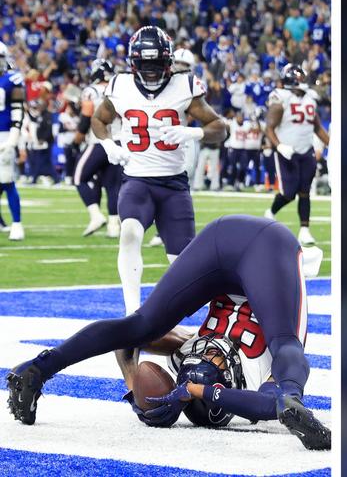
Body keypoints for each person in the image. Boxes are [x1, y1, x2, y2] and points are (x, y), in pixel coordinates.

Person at [6, 214, 330, 451]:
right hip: (266, 246)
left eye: (204, 354)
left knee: (141, 325)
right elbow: (269, 404)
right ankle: (294, 391)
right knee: (286, 343)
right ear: (229, 379)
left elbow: (127, 342)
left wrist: (134, 385)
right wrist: (197, 391)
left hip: (221, 239)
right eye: (214, 360)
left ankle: (39, 367)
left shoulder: (188, 351)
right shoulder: (256, 373)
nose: (207, 352)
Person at [90, 26, 226, 388]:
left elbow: (220, 127)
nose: (150, 74)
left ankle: (162, 318)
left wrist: (193, 132)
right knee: (130, 232)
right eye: (145, 67)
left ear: (168, 63)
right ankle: (133, 311)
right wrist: (108, 146)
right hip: (136, 180)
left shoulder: (184, 86)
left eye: (156, 66)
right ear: (134, 65)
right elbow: (99, 120)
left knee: (181, 266)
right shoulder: (118, 86)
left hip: (174, 185)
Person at [264, 63, 329, 246]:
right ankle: (270, 213)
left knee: (305, 192)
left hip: (306, 150)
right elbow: (268, 128)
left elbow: (316, 127)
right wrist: (279, 146)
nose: (303, 81)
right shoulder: (280, 97)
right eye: (299, 78)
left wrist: (331, 144)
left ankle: (304, 230)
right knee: (289, 193)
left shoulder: (309, 99)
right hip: (287, 151)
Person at [72, 59, 122, 238]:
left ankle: (95, 216)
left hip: (99, 141)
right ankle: (113, 226)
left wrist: (78, 137)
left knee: (78, 178)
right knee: (112, 186)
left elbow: (86, 117)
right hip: (119, 142)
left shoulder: (91, 91)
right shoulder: (120, 90)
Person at [0, 42, 25, 241]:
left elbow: (18, 110)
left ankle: (17, 224)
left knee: (7, 180)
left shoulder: (11, 80)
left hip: (4, 134)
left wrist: (14, 138)